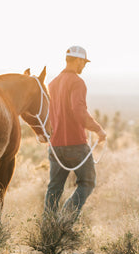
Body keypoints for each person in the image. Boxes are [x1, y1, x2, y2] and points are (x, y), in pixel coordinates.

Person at [44, 45, 107, 219]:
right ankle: (65, 220)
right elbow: (78, 111)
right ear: (77, 60)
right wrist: (98, 129)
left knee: (54, 187)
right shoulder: (77, 82)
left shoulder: (52, 83)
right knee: (87, 182)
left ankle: (48, 226)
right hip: (76, 145)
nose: (84, 66)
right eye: (84, 62)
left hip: (55, 146)